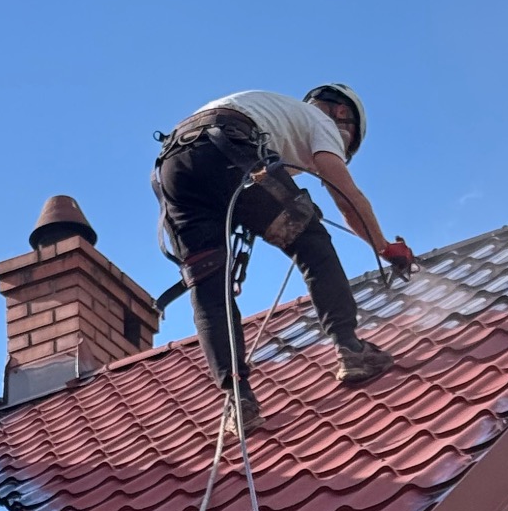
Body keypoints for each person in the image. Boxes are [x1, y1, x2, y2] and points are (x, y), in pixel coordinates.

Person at [152, 85, 414, 435]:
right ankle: (351, 350)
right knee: (311, 241)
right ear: (342, 118)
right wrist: (383, 247)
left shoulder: (275, 113)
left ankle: (238, 400)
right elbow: (346, 195)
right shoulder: (320, 123)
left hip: (173, 169)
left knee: (208, 285)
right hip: (228, 148)